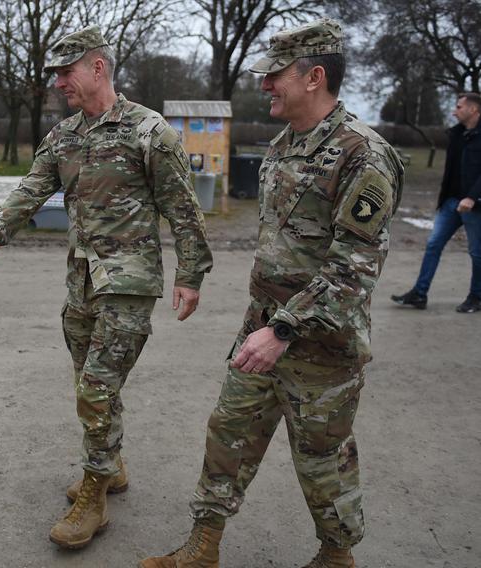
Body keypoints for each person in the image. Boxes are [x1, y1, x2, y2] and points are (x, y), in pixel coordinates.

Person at [139, 19, 404, 568]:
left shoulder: (364, 155)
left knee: (321, 460)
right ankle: (203, 545)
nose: (264, 86)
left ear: (314, 77)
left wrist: (284, 330)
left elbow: (355, 268)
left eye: (274, 76)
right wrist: (265, 325)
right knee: (228, 432)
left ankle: (336, 555)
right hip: (260, 331)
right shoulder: (285, 145)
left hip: (321, 348)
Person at [0, 25, 213, 550]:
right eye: (54, 73)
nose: (58, 82)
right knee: (91, 382)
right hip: (82, 281)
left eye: (66, 71)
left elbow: (183, 209)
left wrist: (191, 274)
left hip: (129, 283)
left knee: (96, 386)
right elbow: (29, 194)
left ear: (98, 67)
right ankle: (112, 466)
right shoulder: (64, 136)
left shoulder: (149, 131)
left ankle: (94, 496)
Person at [391, 92, 481, 313]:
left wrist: (473, 197)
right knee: (433, 245)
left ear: (473, 109)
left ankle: (476, 297)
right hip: (451, 203)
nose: (454, 111)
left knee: (477, 252)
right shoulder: (457, 134)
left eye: (459, 107)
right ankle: (419, 294)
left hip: (474, 205)